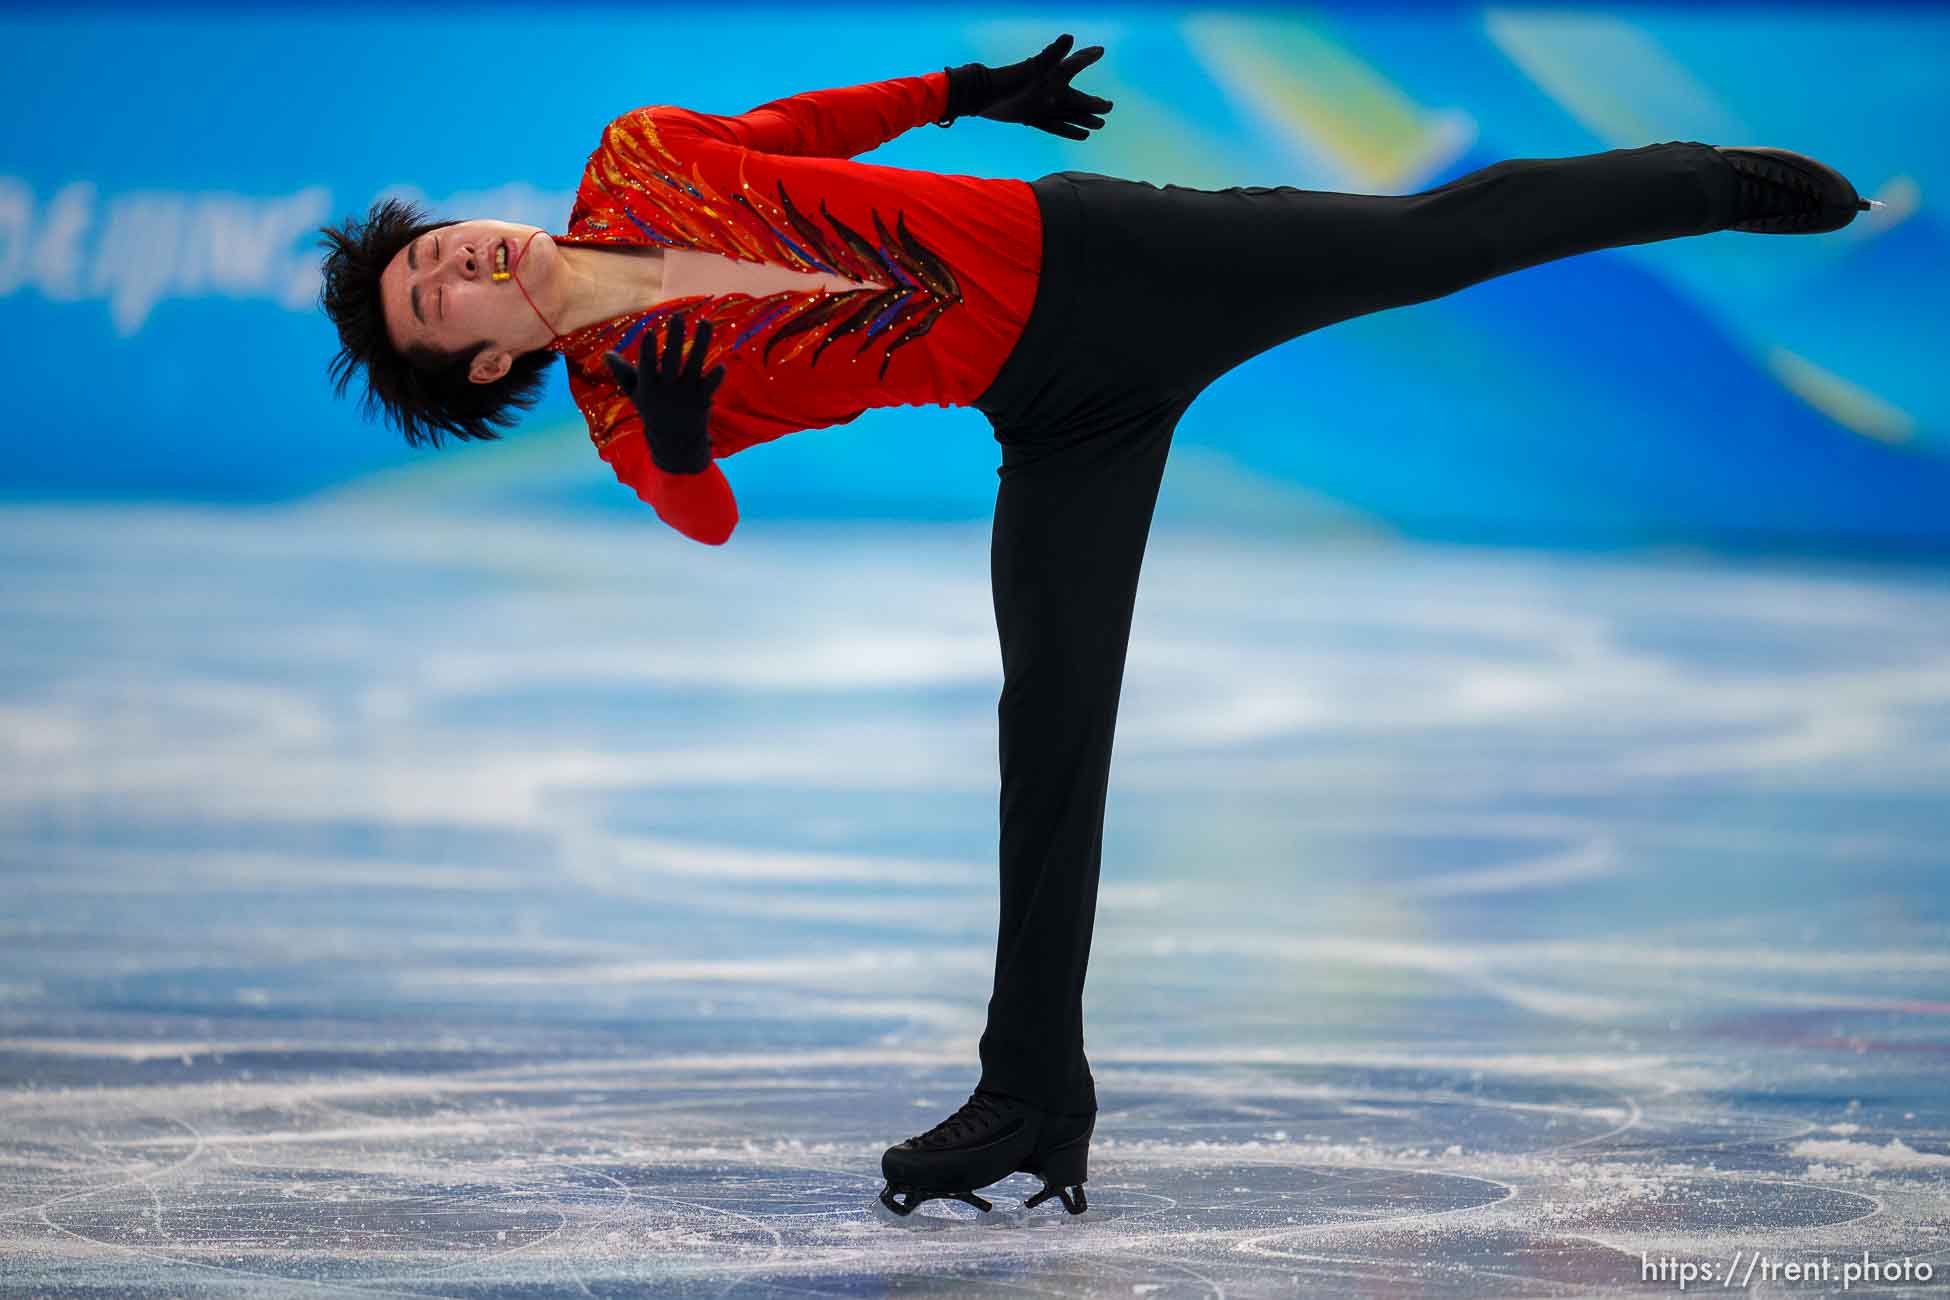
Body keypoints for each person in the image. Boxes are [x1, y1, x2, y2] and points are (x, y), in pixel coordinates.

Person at [316, 35, 1876, 1219]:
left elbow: (805, 130)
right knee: (1046, 733)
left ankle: (1700, 183)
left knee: (1425, 244)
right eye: (429, 302)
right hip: (1054, 416)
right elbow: (704, 516)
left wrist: (966, 88)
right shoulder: (616, 406)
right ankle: (1029, 1098)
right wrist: (669, 436)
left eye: (430, 250)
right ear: (470, 368)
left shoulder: (642, 153)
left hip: (1116, 256)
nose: (449, 265)